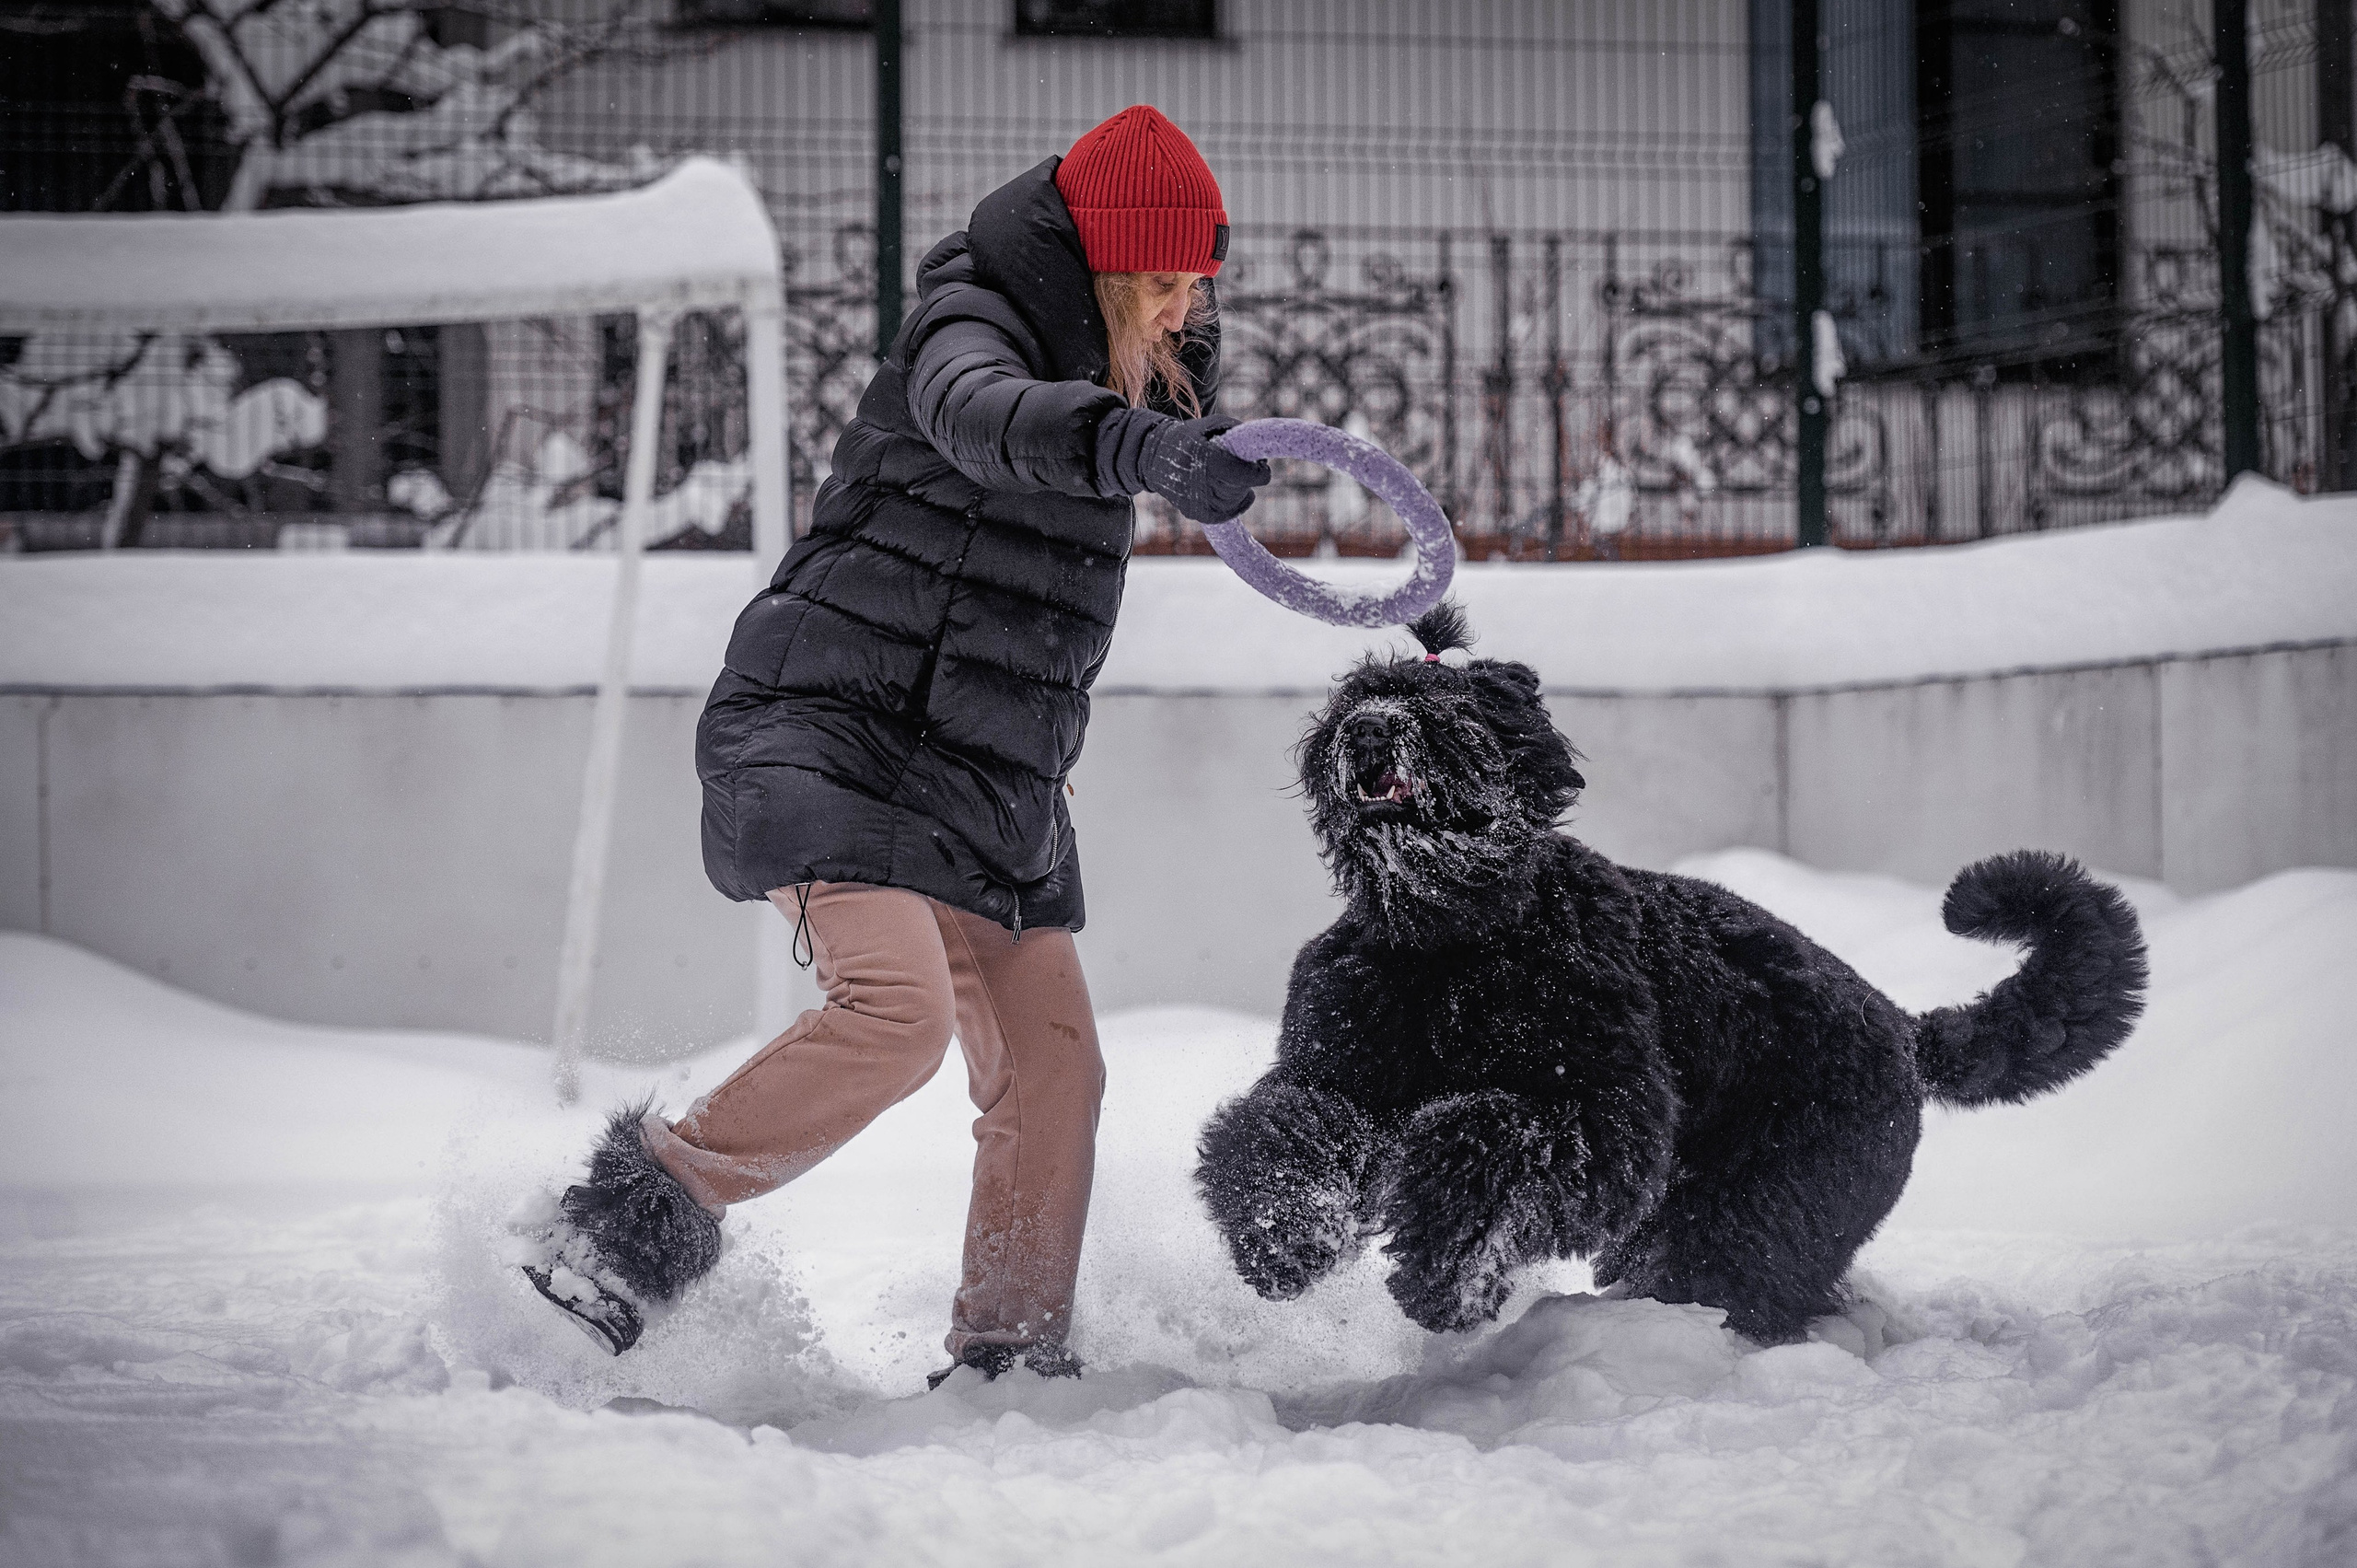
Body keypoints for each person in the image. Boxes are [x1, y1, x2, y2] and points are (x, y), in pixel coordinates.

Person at [521, 106, 1271, 1387]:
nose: (1189, 305)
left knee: (1056, 1069)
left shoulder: (1134, 367)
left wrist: (1189, 446)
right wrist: (1128, 444)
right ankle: (617, 1234)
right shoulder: (968, 324)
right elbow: (983, 414)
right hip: (833, 729)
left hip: (985, 776)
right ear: (1105, 264)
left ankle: (1010, 1359)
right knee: (895, 1014)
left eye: (1200, 279)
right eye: (1167, 279)